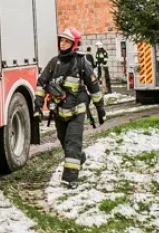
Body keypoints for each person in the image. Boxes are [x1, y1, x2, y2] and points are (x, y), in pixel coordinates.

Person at [34, 27, 106, 188]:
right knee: (65, 142)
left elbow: (93, 87)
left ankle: (70, 179)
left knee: (73, 142)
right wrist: (37, 104)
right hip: (59, 112)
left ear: (74, 44)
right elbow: (42, 83)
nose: (63, 43)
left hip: (77, 111)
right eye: (62, 40)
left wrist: (100, 109)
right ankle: (79, 157)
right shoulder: (54, 62)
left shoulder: (82, 63)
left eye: (67, 41)